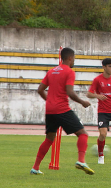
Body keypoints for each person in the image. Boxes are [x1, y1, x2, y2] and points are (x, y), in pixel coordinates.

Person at [30, 47, 95, 175]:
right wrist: (83, 102)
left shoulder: (52, 71)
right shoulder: (69, 72)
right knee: (83, 133)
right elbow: (70, 92)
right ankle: (81, 161)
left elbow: (40, 90)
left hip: (50, 110)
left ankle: (35, 168)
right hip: (62, 109)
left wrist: (49, 101)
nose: (74, 60)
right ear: (70, 58)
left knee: (49, 139)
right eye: (74, 58)